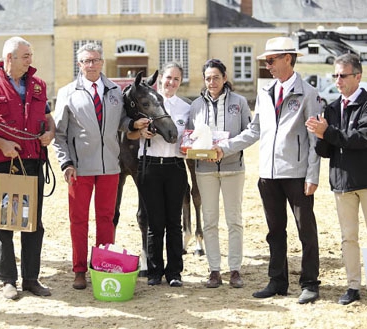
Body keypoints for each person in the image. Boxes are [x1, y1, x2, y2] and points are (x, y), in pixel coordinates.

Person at [214, 37, 322, 304]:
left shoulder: (308, 94)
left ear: (288, 58)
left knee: (305, 230)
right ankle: (277, 281)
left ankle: (310, 283)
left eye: (271, 60)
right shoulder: (264, 92)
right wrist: (225, 147)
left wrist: (312, 175)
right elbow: (254, 131)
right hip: (268, 175)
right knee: (275, 231)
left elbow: (314, 141)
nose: (268, 65)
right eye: (266, 61)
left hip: (297, 175)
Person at [0, 37, 55, 300]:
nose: (30, 59)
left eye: (30, 54)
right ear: (9, 58)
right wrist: (0, 143)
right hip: (4, 163)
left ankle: (30, 279)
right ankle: (8, 280)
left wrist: (50, 133)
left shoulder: (39, 85)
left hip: (33, 160)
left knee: (33, 223)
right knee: (4, 223)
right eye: (25, 55)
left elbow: (49, 119)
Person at [53, 43, 146, 290]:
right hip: (79, 168)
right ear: (79, 64)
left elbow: (123, 122)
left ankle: (103, 266)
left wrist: (134, 125)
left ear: (102, 62)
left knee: (107, 219)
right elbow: (59, 134)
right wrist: (66, 162)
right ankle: (80, 270)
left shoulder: (116, 91)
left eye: (95, 60)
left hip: (110, 167)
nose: (91, 65)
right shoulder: (67, 93)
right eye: (86, 61)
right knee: (79, 220)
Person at [306, 53, 367, 305]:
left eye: (342, 75)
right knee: (347, 237)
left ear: (358, 76)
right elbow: (326, 151)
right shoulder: (330, 108)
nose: (338, 80)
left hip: (365, 180)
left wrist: (328, 132)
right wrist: (320, 138)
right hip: (342, 182)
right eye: (335, 75)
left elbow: (361, 138)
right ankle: (353, 286)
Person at [188, 59, 252, 289]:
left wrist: (227, 148)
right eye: (208, 78)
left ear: (225, 78)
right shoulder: (195, 106)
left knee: (234, 220)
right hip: (205, 171)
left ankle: (235, 269)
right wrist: (189, 147)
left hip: (233, 168)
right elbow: (189, 136)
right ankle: (214, 270)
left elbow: (251, 132)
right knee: (209, 220)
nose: (212, 82)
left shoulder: (240, 102)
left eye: (216, 77)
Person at [128, 62, 190, 287]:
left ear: (180, 82)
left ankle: (174, 272)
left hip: (175, 166)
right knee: (154, 223)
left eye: (176, 79)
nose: (171, 83)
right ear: (160, 79)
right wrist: (138, 130)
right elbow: (129, 130)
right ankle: (154, 271)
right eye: (168, 78)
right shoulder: (147, 104)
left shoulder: (186, 108)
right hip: (150, 165)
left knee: (174, 222)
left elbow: (191, 138)